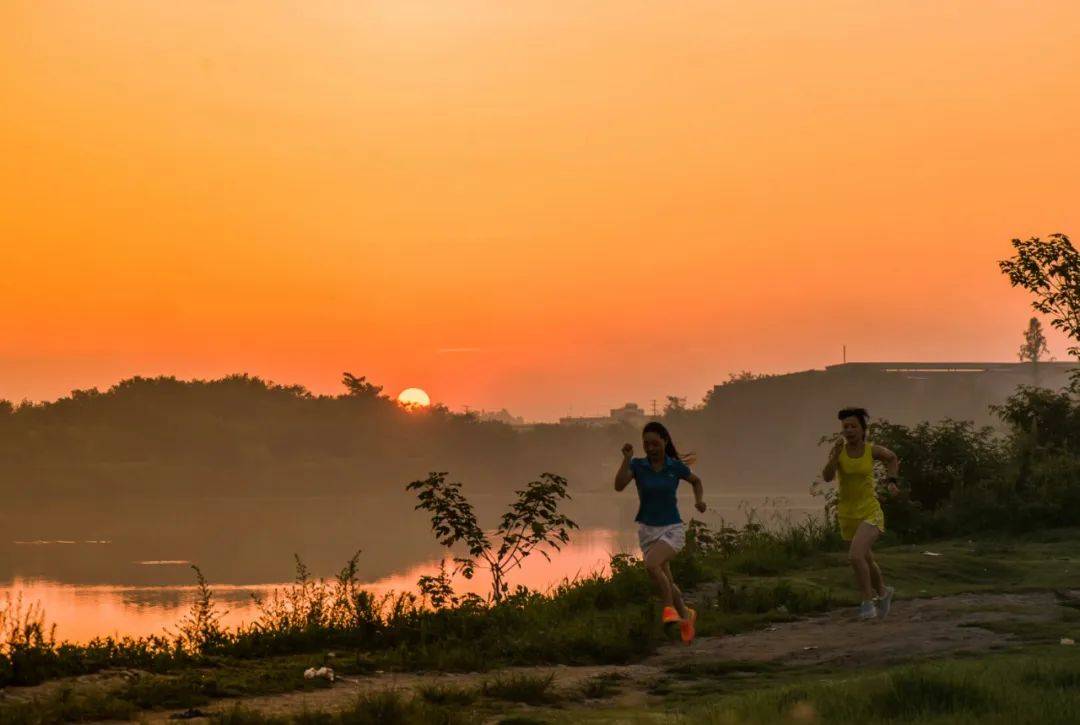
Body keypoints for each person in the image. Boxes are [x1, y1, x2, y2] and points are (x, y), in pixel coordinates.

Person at [615, 421, 706, 644]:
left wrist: (699, 501)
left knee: (652, 565)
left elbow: (696, 481)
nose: (651, 448)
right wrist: (626, 458)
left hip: (671, 529)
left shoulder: (674, 467)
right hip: (648, 530)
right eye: (646, 445)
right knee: (665, 577)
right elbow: (618, 485)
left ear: (665, 441)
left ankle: (668, 609)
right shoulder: (638, 465)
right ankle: (687, 617)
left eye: (655, 443)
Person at [820, 407, 899, 620]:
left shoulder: (871, 450)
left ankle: (867, 602)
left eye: (854, 426)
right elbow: (827, 477)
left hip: (870, 511)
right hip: (847, 514)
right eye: (845, 427)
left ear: (863, 429)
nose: (849, 430)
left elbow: (892, 458)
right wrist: (835, 456)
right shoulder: (839, 452)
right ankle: (883, 593)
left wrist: (892, 481)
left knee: (855, 556)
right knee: (865, 558)